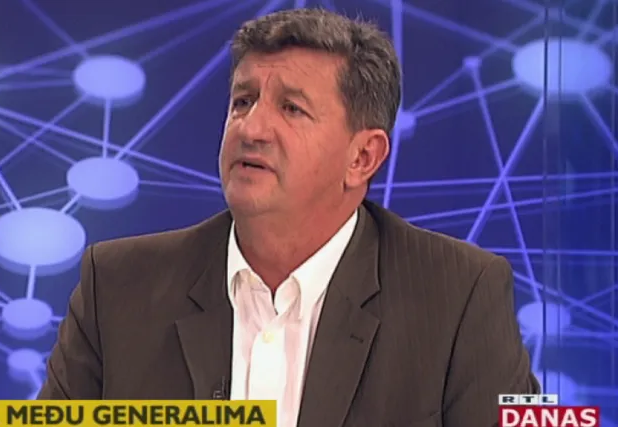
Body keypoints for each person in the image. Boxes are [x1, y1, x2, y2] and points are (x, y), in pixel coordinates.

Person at [38, 7, 540, 427]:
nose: (251, 128)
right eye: (243, 101)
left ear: (362, 157)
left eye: (292, 109)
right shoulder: (117, 287)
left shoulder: (461, 295)